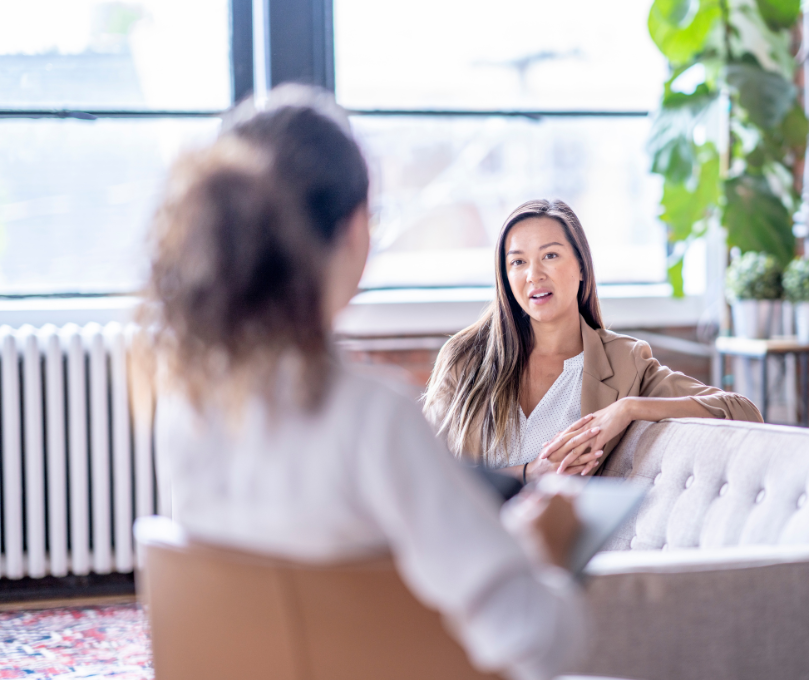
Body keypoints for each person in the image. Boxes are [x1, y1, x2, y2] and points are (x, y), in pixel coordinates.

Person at [143, 86, 586, 680]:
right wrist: (540, 553)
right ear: (355, 229)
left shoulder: (187, 404)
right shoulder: (373, 416)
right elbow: (539, 639)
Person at [424, 199, 763, 482]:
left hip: (568, 551)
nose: (534, 274)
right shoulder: (465, 358)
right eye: (518, 262)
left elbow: (742, 412)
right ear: (506, 276)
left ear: (582, 266)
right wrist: (530, 473)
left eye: (551, 255)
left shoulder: (623, 361)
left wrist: (629, 408)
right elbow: (423, 472)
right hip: (474, 544)